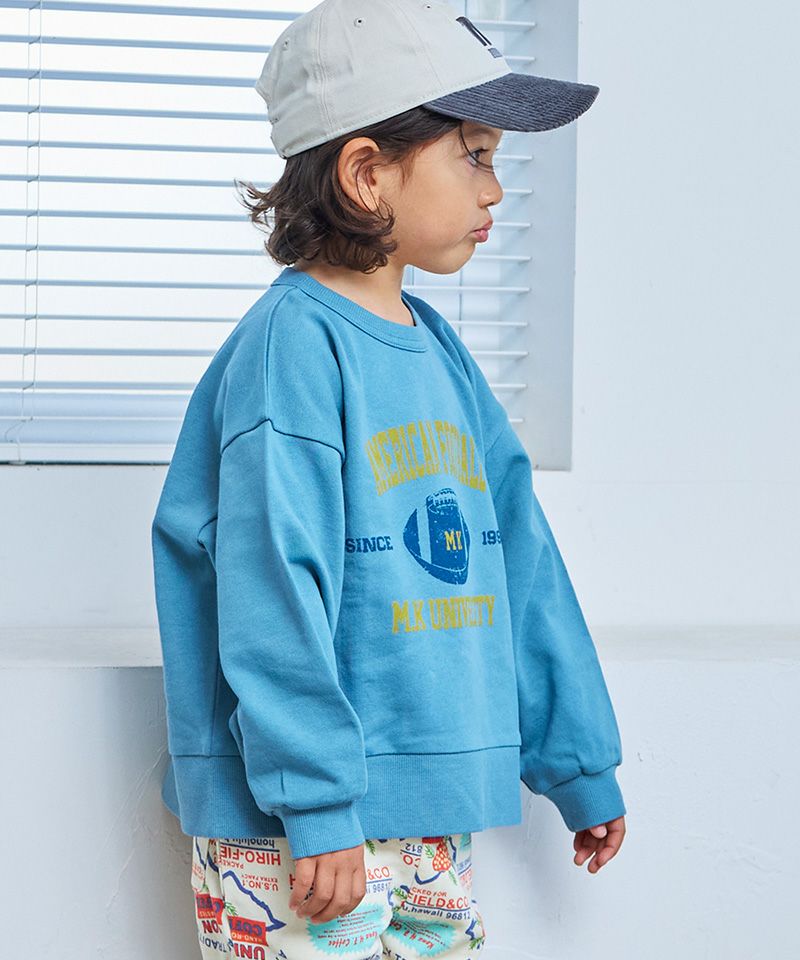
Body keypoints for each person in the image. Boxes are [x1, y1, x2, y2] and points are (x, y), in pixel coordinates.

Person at [151, 1, 627, 957]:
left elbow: (519, 561)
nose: (497, 189)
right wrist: (316, 800)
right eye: (476, 155)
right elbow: (270, 584)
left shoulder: (440, 355)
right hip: (298, 825)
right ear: (368, 174)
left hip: (422, 807)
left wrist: (577, 761)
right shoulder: (291, 349)